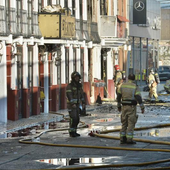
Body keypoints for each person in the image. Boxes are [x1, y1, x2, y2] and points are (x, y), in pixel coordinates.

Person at [117, 74, 145, 144]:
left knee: (124, 123)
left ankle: (122, 138)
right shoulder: (135, 86)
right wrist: (142, 107)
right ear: (134, 79)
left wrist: (119, 106)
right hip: (131, 107)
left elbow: (118, 96)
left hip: (124, 107)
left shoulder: (122, 86)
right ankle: (129, 139)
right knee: (131, 123)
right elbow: (138, 97)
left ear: (128, 78)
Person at [66, 71, 86, 137]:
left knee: (77, 119)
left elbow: (81, 95)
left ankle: (75, 131)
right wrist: (72, 103)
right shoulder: (70, 86)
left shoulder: (79, 86)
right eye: (75, 77)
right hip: (71, 105)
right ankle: (71, 132)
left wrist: (83, 103)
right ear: (73, 78)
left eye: (78, 77)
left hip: (77, 105)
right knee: (73, 118)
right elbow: (69, 95)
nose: (77, 78)